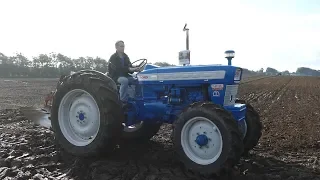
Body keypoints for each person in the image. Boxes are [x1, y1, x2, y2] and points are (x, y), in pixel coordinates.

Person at [107, 40, 140, 107]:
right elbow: (119, 69)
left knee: (137, 80)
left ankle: (136, 97)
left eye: (123, 46)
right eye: (121, 46)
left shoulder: (125, 56)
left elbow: (129, 66)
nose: (123, 47)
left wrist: (136, 68)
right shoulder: (113, 57)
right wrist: (130, 69)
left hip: (125, 75)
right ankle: (122, 101)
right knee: (124, 81)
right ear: (116, 47)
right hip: (115, 76)